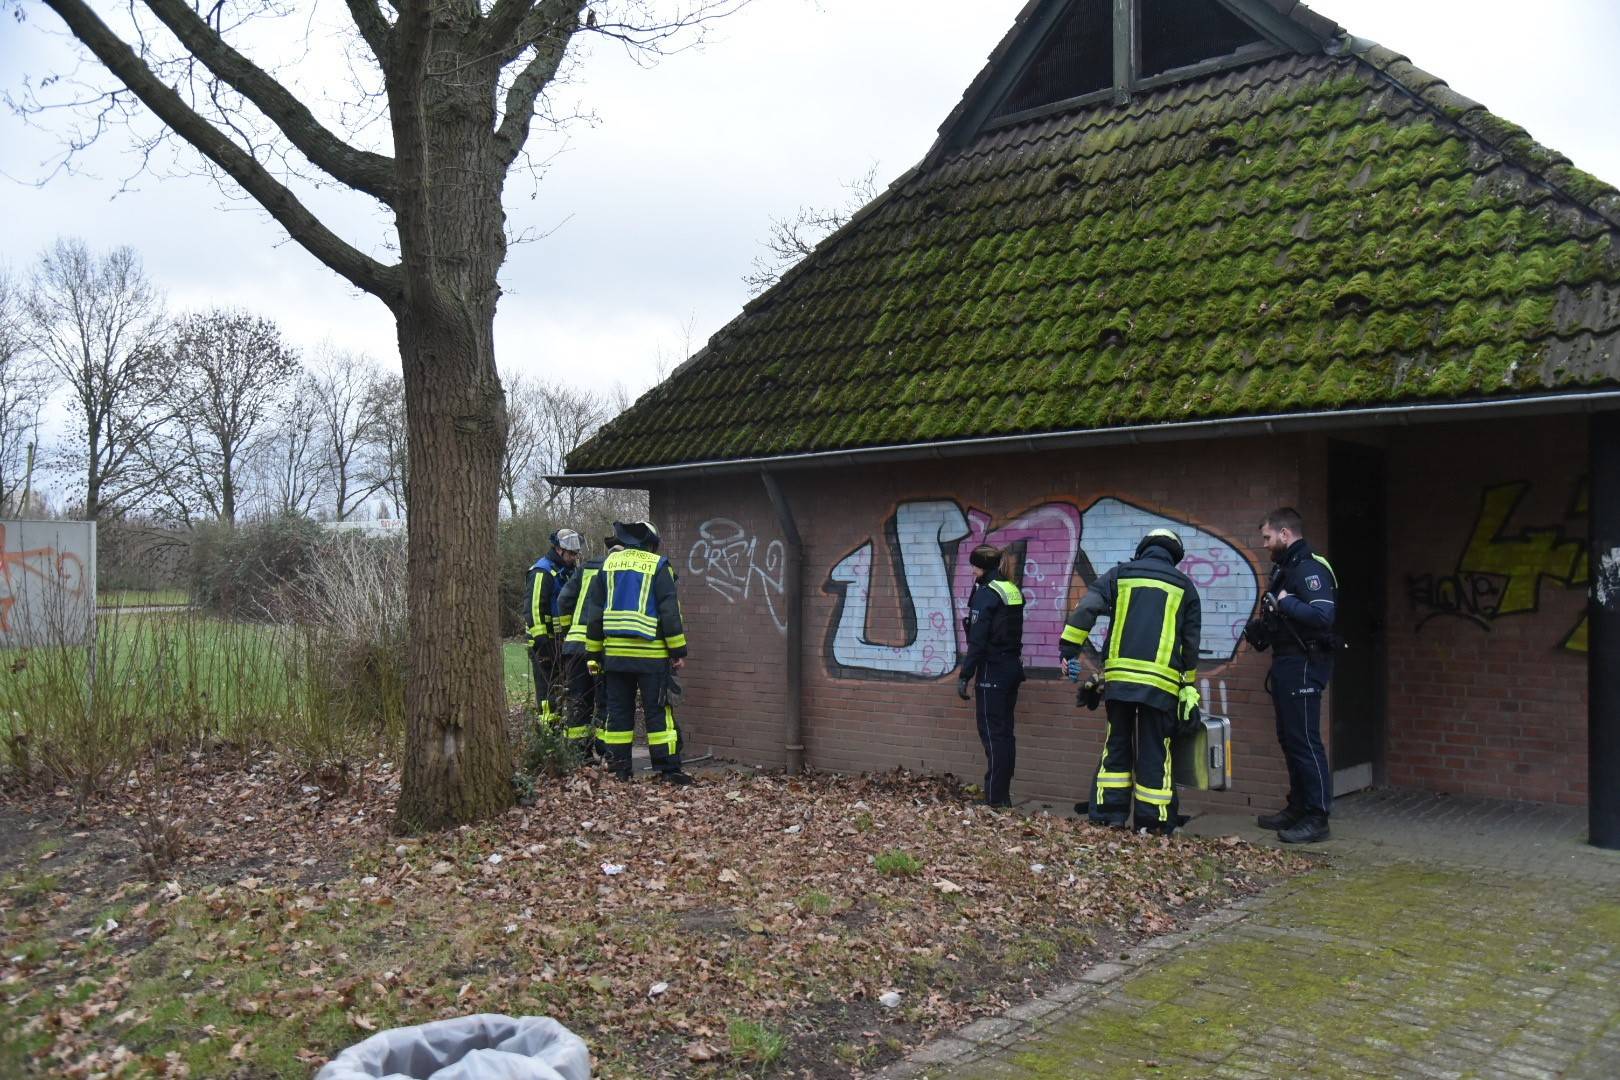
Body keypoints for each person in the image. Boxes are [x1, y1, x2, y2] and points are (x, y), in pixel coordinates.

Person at [1059, 529, 1202, 835]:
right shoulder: (1185, 587)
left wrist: (1069, 650)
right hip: (1161, 686)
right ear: (1174, 556)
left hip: (1119, 683)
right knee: (1156, 752)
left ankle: (1110, 816)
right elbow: (1190, 644)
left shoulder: (1119, 575)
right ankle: (1154, 823)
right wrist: (1188, 686)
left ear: (1144, 548)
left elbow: (1086, 609)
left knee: (1117, 745)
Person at [1244, 507, 1339, 844]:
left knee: (1305, 740)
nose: (1265, 544)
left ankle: (1317, 815)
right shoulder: (1285, 569)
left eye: (1268, 537)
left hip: (1304, 662)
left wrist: (1285, 604)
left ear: (1285, 534)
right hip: (1287, 662)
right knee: (1289, 738)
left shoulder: (1310, 567)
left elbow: (1323, 614)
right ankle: (1298, 806)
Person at [582, 520, 692, 784]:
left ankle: (619, 769)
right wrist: (678, 650)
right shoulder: (657, 565)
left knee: (618, 712)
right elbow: (669, 611)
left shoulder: (609, 565)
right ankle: (667, 770)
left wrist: (594, 654)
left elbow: (594, 614)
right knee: (658, 713)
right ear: (651, 544)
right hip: (651, 657)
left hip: (616, 658)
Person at [955, 544, 1025, 808]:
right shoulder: (1010, 589)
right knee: (1005, 734)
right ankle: (1002, 794)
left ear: (979, 566)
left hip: (991, 670)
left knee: (993, 735)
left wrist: (965, 674)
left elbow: (978, 639)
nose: (971, 570)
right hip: (1010, 668)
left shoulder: (986, 594)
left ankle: (996, 799)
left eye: (973, 566)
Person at [557, 535, 618, 758]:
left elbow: (563, 600)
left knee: (578, 701)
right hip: (600, 647)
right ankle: (604, 751)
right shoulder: (617, 572)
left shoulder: (586, 568)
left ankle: (578, 753)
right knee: (604, 699)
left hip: (574, 648)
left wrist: (568, 631)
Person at [525, 529, 582, 727]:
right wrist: (543, 644)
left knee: (563, 693)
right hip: (545, 644)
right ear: (558, 549)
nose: (574, 558)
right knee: (548, 697)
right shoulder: (542, 571)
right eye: (571, 554)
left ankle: (561, 737)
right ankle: (549, 740)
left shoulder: (569, 572)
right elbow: (534, 610)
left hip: (563, 644)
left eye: (576, 554)